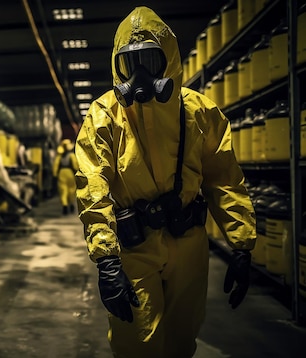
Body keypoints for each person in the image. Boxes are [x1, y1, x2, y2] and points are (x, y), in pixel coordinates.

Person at [74, 6, 256, 358]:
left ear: (169, 60)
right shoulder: (103, 115)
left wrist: (242, 243)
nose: (140, 75)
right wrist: (107, 259)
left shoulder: (199, 112)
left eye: (150, 61)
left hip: (188, 241)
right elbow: (92, 186)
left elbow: (224, 180)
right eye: (130, 63)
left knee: (181, 339)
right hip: (135, 247)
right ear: (117, 66)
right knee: (137, 341)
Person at [53, 139, 78, 215]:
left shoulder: (59, 157)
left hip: (61, 173)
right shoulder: (72, 156)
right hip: (70, 173)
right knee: (71, 190)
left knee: (63, 190)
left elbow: (55, 166)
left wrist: (55, 175)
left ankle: (65, 205)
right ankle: (71, 204)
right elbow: (76, 166)